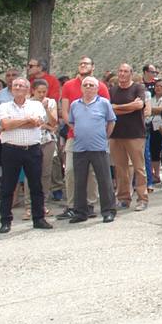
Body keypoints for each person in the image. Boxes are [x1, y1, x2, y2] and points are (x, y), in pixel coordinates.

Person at [0, 78, 52, 234]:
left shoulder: (36, 105)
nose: (18, 88)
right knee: (7, 186)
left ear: (28, 89)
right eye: (15, 86)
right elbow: (5, 125)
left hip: (32, 149)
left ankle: (38, 218)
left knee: (36, 185)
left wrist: (15, 122)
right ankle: (5, 221)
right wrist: (27, 119)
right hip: (10, 150)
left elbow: (37, 123)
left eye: (21, 86)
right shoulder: (4, 106)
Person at [65, 77, 119, 224]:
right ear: (81, 88)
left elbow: (111, 122)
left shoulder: (104, 103)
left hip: (99, 147)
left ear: (97, 88)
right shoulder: (75, 105)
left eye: (91, 85)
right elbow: (72, 123)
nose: (88, 87)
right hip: (80, 148)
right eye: (85, 85)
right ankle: (80, 212)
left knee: (104, 180)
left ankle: (108, 211)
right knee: (79, 181)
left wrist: (104, 137)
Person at [59, 56, 102, 218]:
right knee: (70, 170)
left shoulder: (100, 86)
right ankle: (72, 205)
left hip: (94, 138)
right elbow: (64, 110)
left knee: (91, 171)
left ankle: (90, 204)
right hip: (74, 135)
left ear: (93, 67)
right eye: (80, 63)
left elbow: (105, 112)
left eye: (86, 63)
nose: (83, 65)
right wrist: (74, 127)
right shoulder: (69, 86)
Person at [108, 64, 149, 212]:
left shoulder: (138, 88)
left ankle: (142, 198)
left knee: (139, 168)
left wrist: (117, 107)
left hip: (135, 134)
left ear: (131, 73)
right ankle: (123, 198)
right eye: (120, 71)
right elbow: (109, 110)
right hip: (116, 134)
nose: (122, 74)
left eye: (125, 71)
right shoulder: (112, 90)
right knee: (120, 168)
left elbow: (139, 106)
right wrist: (129, 106)